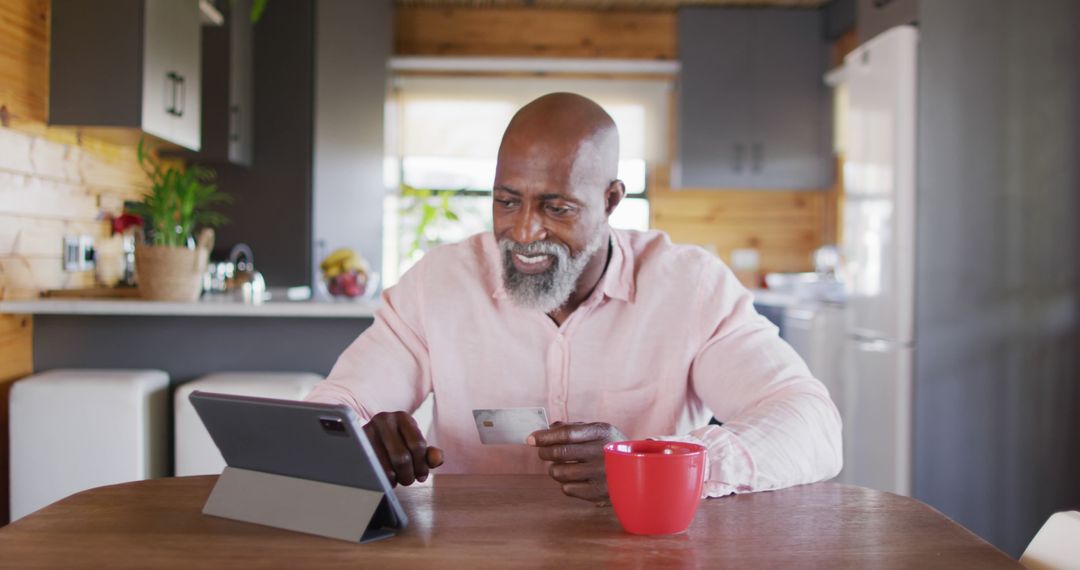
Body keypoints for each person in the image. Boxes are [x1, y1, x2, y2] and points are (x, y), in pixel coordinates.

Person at [306, 92, 842, 504]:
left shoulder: (692, 287)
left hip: (642, 551)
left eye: (557, 208)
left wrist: (652, 464)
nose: (525, 232)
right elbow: (335, 410)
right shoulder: (437, 284)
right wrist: (357, 439)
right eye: (507, 201)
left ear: (610, 200)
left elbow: (810, 423)